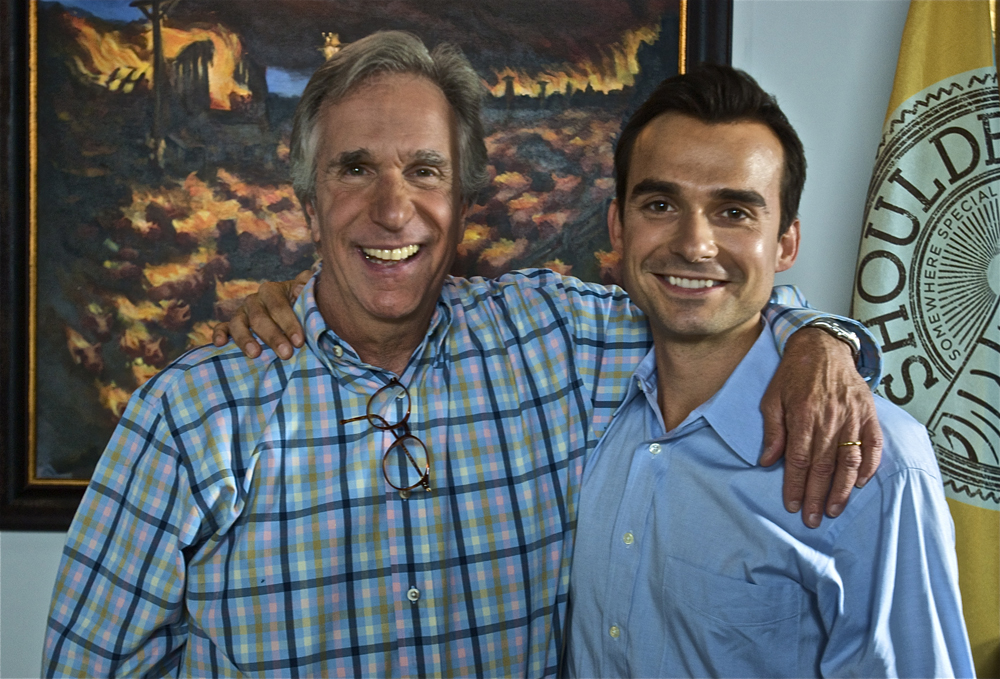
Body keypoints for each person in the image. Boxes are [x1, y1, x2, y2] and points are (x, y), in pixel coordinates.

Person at [43, 32, 880, 678]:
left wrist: (817, 336)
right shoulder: (195, 414)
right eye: (356, 169)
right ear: (306, 202)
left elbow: (703, 298)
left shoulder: (553, 340)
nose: (392, 208)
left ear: (464, 197)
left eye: (425, 170)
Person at [563, 64, 974, 678]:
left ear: (784, 243)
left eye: (734, 212)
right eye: (660, 203)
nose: (694, 245)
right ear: (618, 227)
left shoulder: (875, 465)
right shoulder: (588, 401)